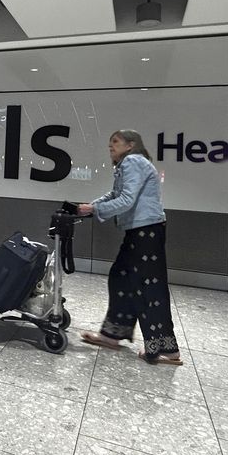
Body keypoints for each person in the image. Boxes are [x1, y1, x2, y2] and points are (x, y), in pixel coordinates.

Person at [76, 129, 182, 365]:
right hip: (140, 230)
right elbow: (115, 194)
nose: (110, 146)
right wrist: (91, 206)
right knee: (121, 278)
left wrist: (94, 209)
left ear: (131, 144)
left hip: (147, 231)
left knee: (148, 288)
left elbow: (127, 200)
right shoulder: (130, 164)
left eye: (115, 142)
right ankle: (112, 334)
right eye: (109, 142)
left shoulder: (133, 161)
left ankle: (166, 349)